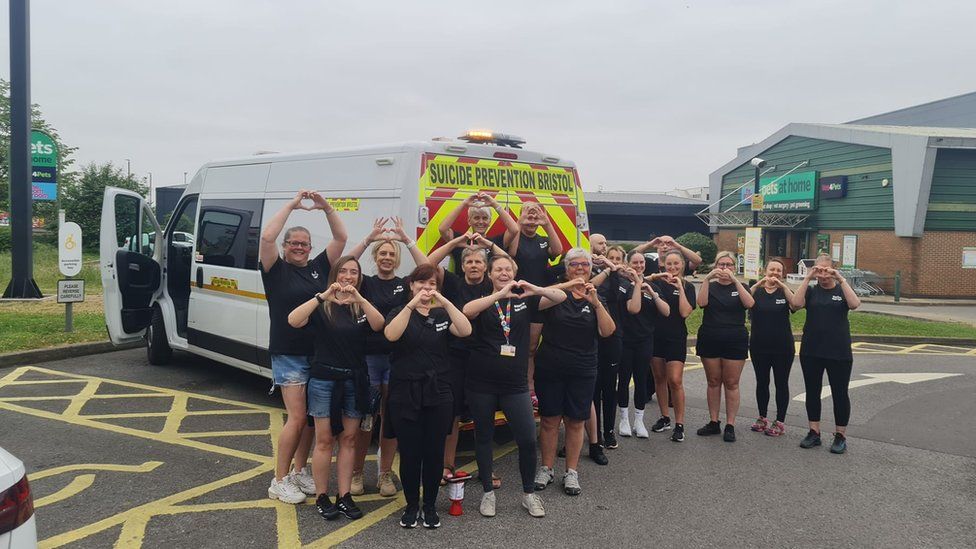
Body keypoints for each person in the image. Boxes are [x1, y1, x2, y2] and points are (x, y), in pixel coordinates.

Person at [260, 189, 347, 504]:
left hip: (318, 353)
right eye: (293, 243)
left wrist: (325, 206)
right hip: (288, 354)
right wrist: (293, 205)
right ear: (285, 248)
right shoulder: (275, 270)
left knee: (310, 418)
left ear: (310, 248)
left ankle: (299, 470)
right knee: (296, 418)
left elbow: (341, 237)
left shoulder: (319, 267)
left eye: (303, 244)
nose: (298, 247)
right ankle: (279, 480)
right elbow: (267, 238)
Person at [462, 255, 565, 518]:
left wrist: (537, 289)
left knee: (528, 439)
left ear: (514, 272)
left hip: (515, 384)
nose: (504, 273)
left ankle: (528, 494)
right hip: (481, 381)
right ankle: (487, 492)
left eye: (508, 269)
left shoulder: (525, 299)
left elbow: (560, 297)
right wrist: (499, 295)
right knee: (483, 436)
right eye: (499, 269)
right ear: (490, 274)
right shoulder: (485, 298)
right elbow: (467, 311)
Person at [287, 256, 384, 521]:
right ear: (335, 274)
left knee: (350, 439)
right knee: (325, 440)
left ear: (359, 278)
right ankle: (321, 495)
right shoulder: (322, 304)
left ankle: (344, 496)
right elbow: (293, 320)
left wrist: (360, 300)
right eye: (344, 271)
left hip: (354, 381)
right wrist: (323, 296)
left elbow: (380, 325)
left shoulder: (360, 307)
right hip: (323, 381)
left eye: (354, 272)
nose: (349, 276)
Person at [384, 264, 472, 529]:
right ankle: (412, 506)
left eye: (431, 284)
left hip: (439, 392)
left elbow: (465, 330)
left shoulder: (443, 314)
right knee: (410, 453)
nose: (426, 288)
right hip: (405, 392)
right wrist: (412, 305)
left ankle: (430, 506)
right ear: (411, 285)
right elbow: (391, 335)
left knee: (434, 453)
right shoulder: (400, 312)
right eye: (421, 283)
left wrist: (443, 300)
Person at [345, 217, 429, 498]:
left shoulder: (405, 284)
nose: (387, 258)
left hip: (396, 359)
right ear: (375, 257)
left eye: (392, 255)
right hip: (367, 359)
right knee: (365, 420)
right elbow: (344, 263)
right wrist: (370, 237)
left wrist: (406, 239)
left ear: (397, 259)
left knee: (390, 420)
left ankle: (384, 474)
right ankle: (357, 473)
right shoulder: (365, 283)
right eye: (383, 253)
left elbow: (426, 268)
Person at [533, 248, 616, 497]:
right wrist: (569, 287)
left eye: (585, 265)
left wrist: (596, 302)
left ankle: (571, 472)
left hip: (583, 367)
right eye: (575, 265)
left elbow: (608, 331)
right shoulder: (556, 293)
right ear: (567, 268)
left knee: (576, 421)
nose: (580, 269)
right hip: (551, 366)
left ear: (591, 269)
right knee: (549, 419)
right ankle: (546, 468)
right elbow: (537, 303)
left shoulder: (596, 296)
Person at [426, 233, 500, 486]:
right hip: (455, 356)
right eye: (469, 262)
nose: (474, 266)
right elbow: (429, 264)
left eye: (479, 262)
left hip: (484, 357)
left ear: (486, 267)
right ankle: (447, 466)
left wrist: (487, 244)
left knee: (484, 415)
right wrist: (455, 245)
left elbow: (507, 261)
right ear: (463, 265)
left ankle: (486, 468)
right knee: (452, 414)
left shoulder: (493, 285)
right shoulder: (454, 283)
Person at [792, 254, 860, 454]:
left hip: (838, 351)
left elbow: (855, 304)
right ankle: (814, 432)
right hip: (812, 350)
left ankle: (840, 436)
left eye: (826, 270)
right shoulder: (812, 291)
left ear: (833, 269)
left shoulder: (841, 289)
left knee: (840, 393)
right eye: (819, 270)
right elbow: (795, 304)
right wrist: (807, 278)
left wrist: (840, 278)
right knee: (812, 391)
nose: (823, 274)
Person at [695, 251, 755, 442]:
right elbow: (701, 303)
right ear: (715, 266)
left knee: (731, 382)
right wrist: (707, 279)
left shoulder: (742, 286)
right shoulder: (710, 286)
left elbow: (750, 303)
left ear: (734, 268)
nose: (725, 269)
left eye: (729, 265)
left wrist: (736, 281)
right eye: (721, 265)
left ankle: (730, 424)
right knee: (713, 381)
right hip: (710, 336)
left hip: (735, 338)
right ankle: (714, 421)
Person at [616, 250, 670, 439]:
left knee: (641, 380)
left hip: (645, 340)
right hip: (625, 340)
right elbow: (633, 309)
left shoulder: (653, 286)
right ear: (628, 264)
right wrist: (638, 284)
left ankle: (639, 419)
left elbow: (666, 311)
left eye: (641, 263)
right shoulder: (623, 285)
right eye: (635, 262)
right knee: (623, 380)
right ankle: (624, 418)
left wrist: (654, 294)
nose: (639, 266)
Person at [646, 250, 697, 442]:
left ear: (683, 265)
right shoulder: (656, 283)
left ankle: (679, 424)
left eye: (676, 264)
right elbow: (638, 279)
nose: (673, 268)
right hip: (655, 335)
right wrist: (658, 275)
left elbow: (684, 312)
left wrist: (680, 288)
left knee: (675, 380)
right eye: (669, 264)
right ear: (663, 264)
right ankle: (665, 417)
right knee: (659, 378)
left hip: (676, 337)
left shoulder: (689, 287)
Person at [748, 258, 797, 437]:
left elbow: (796, 304)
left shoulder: (785, 292)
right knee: (762, 382)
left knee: (781, 383)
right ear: (764, 271)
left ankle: (779, 421)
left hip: (782, 347)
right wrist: (760, 283)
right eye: (772, 270)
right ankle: (762, 417)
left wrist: (783, 287)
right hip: (758, 345)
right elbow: (744, 300)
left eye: (778, 271)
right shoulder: (756, 291)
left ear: (782, 274)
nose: (774, 273)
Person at [592, 244, 632, 452]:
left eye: (618, 258)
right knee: (593, 389)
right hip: (594, 338)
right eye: (611, 257)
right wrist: (608, 269)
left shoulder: (624, 282)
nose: (614, 261)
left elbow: (619, 297)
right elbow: (591, 287)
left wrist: (619, 273)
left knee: (609, 388)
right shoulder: (597, 277)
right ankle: (594, 433)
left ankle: (608, 431)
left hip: (614, 338)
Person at [437, 191, 518, 273]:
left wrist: (494, 204)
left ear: (490, 222)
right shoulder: (460, 241)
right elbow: (443, 229)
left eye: (485, 218)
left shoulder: (496, 242)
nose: (481, 222)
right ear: (469, 221)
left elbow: (514, 229)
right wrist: (464, 204)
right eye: (476, 218)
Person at [506, 201, 564, 286]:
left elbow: (557, 251)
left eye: (535, 218)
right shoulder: (514, 238)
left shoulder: (543, 240)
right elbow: (512, 253)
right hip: (519, 290)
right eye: (529, 218)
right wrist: (520, 223)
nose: (532, 222)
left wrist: (547, 224)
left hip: (540, 290)